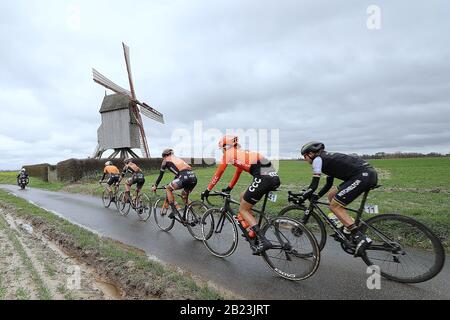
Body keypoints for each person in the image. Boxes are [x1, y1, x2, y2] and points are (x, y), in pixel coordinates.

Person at [201, 135, 281, 255]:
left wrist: (207, 190)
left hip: (263, 177)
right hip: (272, 177)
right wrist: (229, 188)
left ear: (225, 146)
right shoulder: (241, 153)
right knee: (243, 195)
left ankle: (263, 241)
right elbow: (238, 173)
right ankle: (252, 229)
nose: (222, 151)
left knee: (243, 209)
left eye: (222, 148)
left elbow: (218, 174)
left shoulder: (228, 154)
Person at [298, 141, 378, 257]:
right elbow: (328, 184)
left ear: (310, 154)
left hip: (362, 176)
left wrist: (304, 195)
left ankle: (359, 237)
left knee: (335, 206)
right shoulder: (326, 160)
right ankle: (347, 227)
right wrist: (318, 195)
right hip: (364, 174)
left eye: (304, 156)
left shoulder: (318, 160)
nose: (305, 160)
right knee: (331, 195)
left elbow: (314, 184)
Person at [151, 149, 198, 218]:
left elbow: (161, 175)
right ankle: (196, 216)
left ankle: (174, 210)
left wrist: (155, 185)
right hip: (193, 177)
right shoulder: (177, 159)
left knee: (168, 189)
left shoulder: (165, 160)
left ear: (165, 156)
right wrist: (172, 183)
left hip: (184, 176)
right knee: (184, 197)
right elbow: (178, 174)